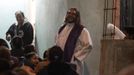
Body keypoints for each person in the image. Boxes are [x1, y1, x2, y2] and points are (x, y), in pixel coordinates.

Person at [55, 8, 93, 75]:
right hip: (61, 61)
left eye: (73, 14)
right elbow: (57, 42)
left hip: (74, 61)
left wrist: (77, 56)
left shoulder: (81, 30)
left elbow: (88, 45)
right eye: (69, 13)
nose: (70, 15)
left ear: (77, 16)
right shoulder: (62, 28)